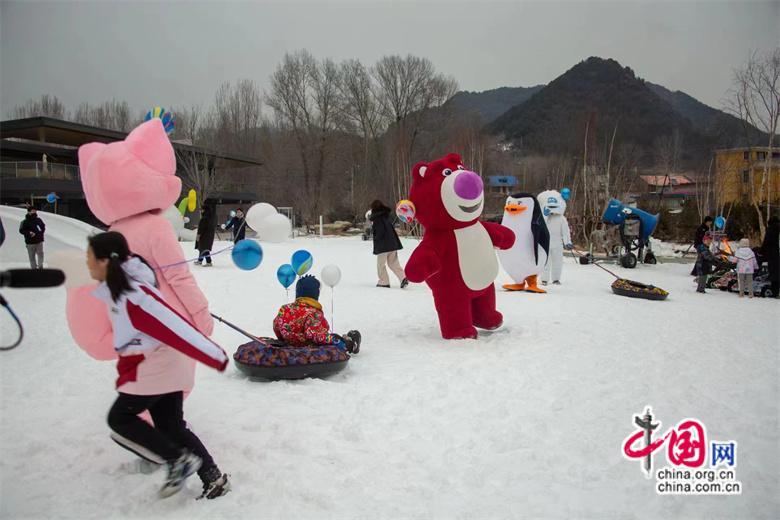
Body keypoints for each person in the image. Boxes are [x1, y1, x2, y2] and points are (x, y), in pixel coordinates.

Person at [86, 232, 231, 499]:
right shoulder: (122, 289)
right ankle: (212, 478)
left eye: (90, 257)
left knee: (120, 418)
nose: (87, 263)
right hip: (160, 364)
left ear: (105, 260)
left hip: (157, 366)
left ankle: (178, 460)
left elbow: (174, 326)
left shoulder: (134, 294)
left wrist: (214, 355)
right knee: (171, 426)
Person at [273, 275, 361, 353]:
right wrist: (336, 341)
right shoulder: (313, 313)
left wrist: (285, 339)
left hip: (288, 344)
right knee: (335, 338)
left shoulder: (284, 309)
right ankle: (351, 345)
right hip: (309, 349)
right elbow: (314, 334)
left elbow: (276, 326)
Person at [369, 200, 408, 288]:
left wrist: (375, 236)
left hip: (383, 246)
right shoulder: (385, 217)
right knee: (393, 263)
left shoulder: (377, 219)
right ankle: (403, 278)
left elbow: (380, 232)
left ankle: (384, 281)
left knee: (381, 265)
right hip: (392, 244)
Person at [761, 215, 779, 298]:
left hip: (773, 255)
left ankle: (775, 292)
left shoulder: (771, 229)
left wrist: (761, 252)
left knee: (774, 273)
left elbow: (766, 242)